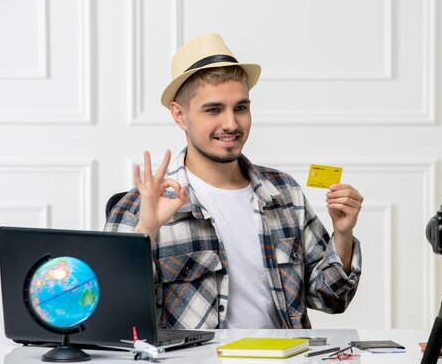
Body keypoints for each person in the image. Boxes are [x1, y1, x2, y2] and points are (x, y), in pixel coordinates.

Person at [105, 33, 364, 330]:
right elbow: (117, 320)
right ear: (180, 114)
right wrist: (146, 233)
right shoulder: (138, 206)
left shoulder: (284, 192)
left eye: (241, 107)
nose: (231, 124)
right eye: (214, 110)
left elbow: (330, 299)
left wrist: (343, 234)